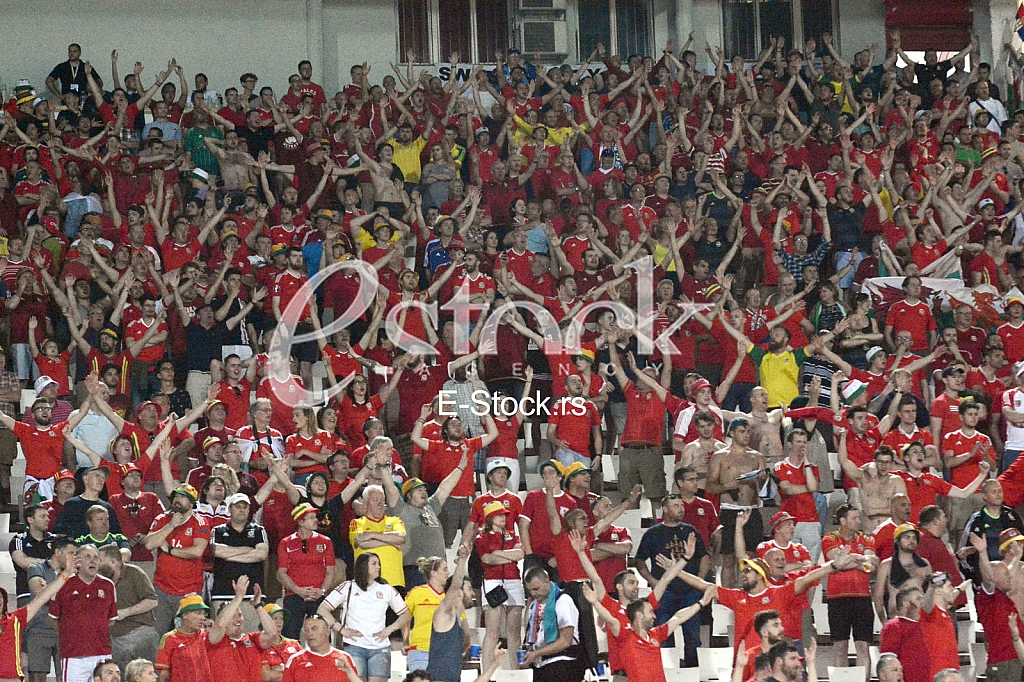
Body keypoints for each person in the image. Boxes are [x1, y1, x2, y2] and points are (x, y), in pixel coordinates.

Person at [583, 578, 714, 682]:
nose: (654, 616)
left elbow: (678, 618)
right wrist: (595, 603)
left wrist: (701, 602)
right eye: (650, 612)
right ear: (639, 615)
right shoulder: (626, 636)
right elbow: (611, 620)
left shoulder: (656, 634)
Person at [633, 491, 709, 666]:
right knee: (663, 635)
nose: (681, 509)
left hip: (690, 591)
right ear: (665, 509)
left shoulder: (691, 531)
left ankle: (692, 673)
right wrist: (652, 581)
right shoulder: (653, 533)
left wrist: (699, 581)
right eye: (676, 506)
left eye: (682, 505)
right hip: (664, 593)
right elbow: (639, 560)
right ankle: (667, 671)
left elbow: (704, 557)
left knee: (692, 637)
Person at [381, 440, 465, 589]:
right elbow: (390, 489)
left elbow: (444, 488)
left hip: (438, 570)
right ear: (408, 496)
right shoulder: (401, 509)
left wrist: (460, 467)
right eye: (419, 490)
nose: (424, 493)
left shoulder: (431, 507)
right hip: (415, 570)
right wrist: (382, 466)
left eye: (425, 490)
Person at [317, 552, 411, 682]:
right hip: (354, 646)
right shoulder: (348, 586)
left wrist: (390, 629)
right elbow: (323, 609)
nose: (378, 567)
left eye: (378, 564)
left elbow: (406, 614)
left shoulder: (386, 589)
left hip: (380, 647)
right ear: (363, 566)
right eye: (374, 564)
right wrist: (341, 629)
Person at [706, 418, 767, 588]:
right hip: (729, 510)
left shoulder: (757, 457)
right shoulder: (720, 456)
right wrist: (727, 486)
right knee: (728, 557)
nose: (746, 435)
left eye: (748, 431)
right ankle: (727, 596)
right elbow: (710, 486)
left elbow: (765, 491)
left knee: (750, 557)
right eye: (742, 431)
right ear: (732, 433)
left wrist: (762, 480)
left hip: (751, 509)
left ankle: (749, 594)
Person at [142, 482, 210, 635]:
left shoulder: (200, 521)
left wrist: (170, 550)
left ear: (192, 503)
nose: (178, 500)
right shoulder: (162, 518)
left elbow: (196, 551)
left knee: (189, 635)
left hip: (189, 591)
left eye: (183, 497)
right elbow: (149, 544)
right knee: (156, 635)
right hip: (162, 589)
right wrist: (171, 525)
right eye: (176, 497)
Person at [49, 544, 118, 682]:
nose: (93, 561)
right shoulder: (63, 584)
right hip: (74, 656)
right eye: (87, 557)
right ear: (77, 561)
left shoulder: (108, 585)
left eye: (95, 558)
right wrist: (73, 633)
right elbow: (53, 619)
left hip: (102, 655)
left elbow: (111, 620)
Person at [822, 504, 879, 671]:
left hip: (862, 597)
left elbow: (872, 565)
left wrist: (850, 558)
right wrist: (860, 560)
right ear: (842, 521)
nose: (858, 521)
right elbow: (836, 563)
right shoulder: (830, 539)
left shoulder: (866, 539)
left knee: (863, 646)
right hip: (837, 598)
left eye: (858, 518)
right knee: (840, 647)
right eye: (854, 518)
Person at [0, 564, 75, 682]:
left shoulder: (15, 619)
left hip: (12, 679)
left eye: (0, 597)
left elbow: (42, 598)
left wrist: (65, 574)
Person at [96, 543, 160, 670]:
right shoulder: (99, 580)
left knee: (146, 676)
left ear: (113, 562)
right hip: (116, 640)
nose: (97, 565)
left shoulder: (134, 573)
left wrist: (126, 612)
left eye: (100, 561)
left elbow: (153, 601)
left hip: (141, 634)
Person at [277, 503, 335, 639]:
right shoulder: (286, 543)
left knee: (322, 635)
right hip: (294, 595)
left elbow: (330, 570)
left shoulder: (325, 542)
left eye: (315, 517)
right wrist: (298, 590)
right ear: (301, 522)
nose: (316, 520)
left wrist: (322, 591)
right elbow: (281, 573)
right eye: (311, 518)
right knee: (290, 636)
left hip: (317, 595)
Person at [24, 535, 78, 682]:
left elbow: (75, 600)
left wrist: (49, 589)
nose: (74, 557)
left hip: (65, 629)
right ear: (58, 552)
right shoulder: (36, 568)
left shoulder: (75, 573)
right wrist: (63, 591)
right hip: (40, 627)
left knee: (65, 675)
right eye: (71, 553)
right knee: (37, 676)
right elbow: (38, 594)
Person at [521, 565, 585, 682]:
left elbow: (566, 641)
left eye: (536, 589)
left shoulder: (563, 601)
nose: (533, 594)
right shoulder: (534, 606)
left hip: (563, 662)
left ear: (546, 582)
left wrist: (536, 653)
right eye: (530, 590)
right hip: (541, 664)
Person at [425, 544, 474, 682]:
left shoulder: (458, 619)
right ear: (458, 594)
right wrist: (463, 559)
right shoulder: (444, 613)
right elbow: (455, 584)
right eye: (469, 589)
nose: (472, 593)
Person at [210, 492, 269, 602]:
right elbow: (216, 551)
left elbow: (261, 554)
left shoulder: (258, 530)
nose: (241, 510)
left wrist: (229, 556)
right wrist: (248, 550)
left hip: (252, 595)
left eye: (245, 507)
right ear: (230, 509)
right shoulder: (218, 530)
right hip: (223, 593)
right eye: (237, 506)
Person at [349, 483, 407, 588]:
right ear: (365, 504)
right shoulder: (357, 523)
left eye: (382, 500)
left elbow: (401, 538)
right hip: (368, 583)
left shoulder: (394, 520)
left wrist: (371, 534)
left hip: (395, 582)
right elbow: (361, 543)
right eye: (375, 500)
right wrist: (392, 542)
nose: (380, 504)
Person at [874, 523, 932, 620]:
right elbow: (878, 596)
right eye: (907, 537)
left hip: (921, 618)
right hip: (896, 618)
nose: (911, 541)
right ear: (897, 541)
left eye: (914, 538)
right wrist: (883, 621)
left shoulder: (924, 564)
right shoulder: (887, 565)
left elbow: (932, 591)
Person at [280, 615, 362, 682]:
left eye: (314, 629)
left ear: (327, 632)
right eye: (306, 630)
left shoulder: (344, 658)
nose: (309, 634)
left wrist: (349, 671)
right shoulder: (295, 660)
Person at [155, 595, 215, 682]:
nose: (202, 617)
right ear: (185, 615)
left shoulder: (205, 635)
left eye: (204, 613)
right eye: (198, 613)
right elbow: (164, 675)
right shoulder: (169, 638)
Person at [879, 585, 932, 682]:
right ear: (906, 604)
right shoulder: (893, 626)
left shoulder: (927, 625)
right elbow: (888, 661)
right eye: (918, 598)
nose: (922, 601)